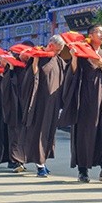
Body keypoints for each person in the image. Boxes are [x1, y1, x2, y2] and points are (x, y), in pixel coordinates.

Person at [61, 24, 102, 183]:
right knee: (85, 134)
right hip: (86, 101)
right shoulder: (82, 53)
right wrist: (74, 58)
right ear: (90, 35)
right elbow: (72, 74)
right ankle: (83, 170)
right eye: (99, 32)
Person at [22, 36, 66, 177]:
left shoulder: (58, 61)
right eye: (58, 50)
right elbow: (31, 78)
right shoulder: (38, 56)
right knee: (38, 131)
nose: (59, 53)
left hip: (53, 103)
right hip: (40, 102)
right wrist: (35, 61)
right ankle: (40, 164)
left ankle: (43, 161)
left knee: (48, 132)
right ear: (51, 45)